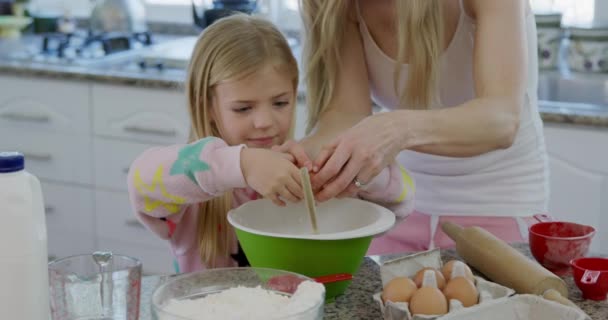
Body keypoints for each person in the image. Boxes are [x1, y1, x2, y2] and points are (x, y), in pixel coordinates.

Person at [126, 15, 415, 273]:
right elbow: (141, 180)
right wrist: (243, 165)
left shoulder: (307, 175)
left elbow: (400, 202)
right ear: (209, 106)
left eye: (280, 102)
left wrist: (351, 171)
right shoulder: (195, 186)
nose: (264, 121)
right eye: (243, 108)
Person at [289, 0, 548, 253]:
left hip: (499, 204)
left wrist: (399, 129)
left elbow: (501, 119)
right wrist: (297, 157)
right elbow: (347, 116)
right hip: (400, 207)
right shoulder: (337, 6)